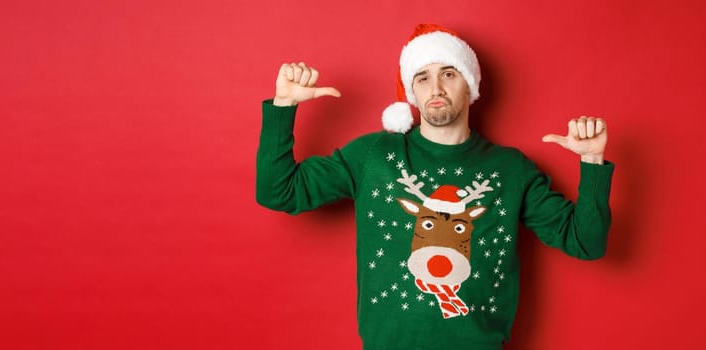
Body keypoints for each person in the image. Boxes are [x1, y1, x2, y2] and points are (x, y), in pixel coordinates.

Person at [256, 23, 615, 350]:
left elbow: (586, 242)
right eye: (423, 77)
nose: (436, 88)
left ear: (470, 84)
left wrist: (592, 161)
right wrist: (284, 105)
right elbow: (278, 191)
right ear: (411, 89)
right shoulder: (373, 155)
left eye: (448, 73)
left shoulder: (510, 169)